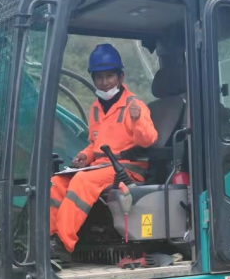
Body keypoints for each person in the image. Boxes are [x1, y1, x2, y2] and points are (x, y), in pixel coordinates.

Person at [50, 43, 157, 255]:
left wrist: (136, 121)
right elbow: (95, 142)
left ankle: (63, 243)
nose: (105, 82)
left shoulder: (134, 106)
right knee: (57, 181)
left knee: (82, 181)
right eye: (99, 77)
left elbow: (148, 140)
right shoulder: (96, 108)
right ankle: (50, 237)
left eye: (110, 76)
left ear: (121, 77)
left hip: (126, 170)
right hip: (101, 167)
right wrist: (85, 155)